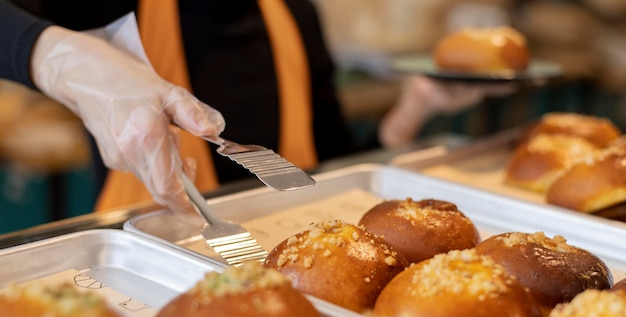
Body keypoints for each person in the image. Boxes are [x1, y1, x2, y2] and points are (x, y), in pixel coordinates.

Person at [1, 0, 512, 214]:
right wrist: (58, 57)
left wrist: (413, 111)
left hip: (298, 253)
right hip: (149, 265)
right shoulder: (109, 6)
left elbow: (332, 163)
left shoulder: (293, 12)